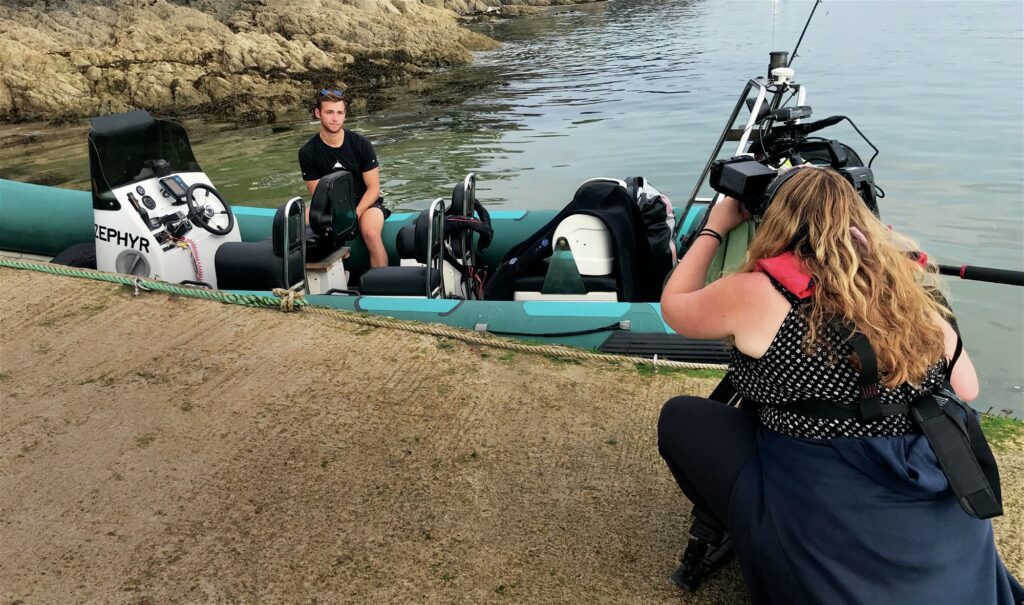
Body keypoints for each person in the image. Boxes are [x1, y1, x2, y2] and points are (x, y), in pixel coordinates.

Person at [657, 167, 1022, 603]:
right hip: (924, 472)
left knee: (682, 418)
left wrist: (715, 228)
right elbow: (966, 389)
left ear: (776, 222)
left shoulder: (756, 290)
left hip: (822, 478)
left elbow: (673, 307)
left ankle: (761, 532)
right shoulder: (906, 288)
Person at [298, 88, 389, 268]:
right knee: (296, 225)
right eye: (329, 112)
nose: (335, 118)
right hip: (330, 207)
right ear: (318, 113)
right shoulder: (307, 152)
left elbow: (373, 188)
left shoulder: (361, 144)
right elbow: (319, 194)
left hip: (366, 204)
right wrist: (341, 217)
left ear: (345, 114)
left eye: (340, 112)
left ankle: (382, 287)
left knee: (371, 233)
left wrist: (355, 213)